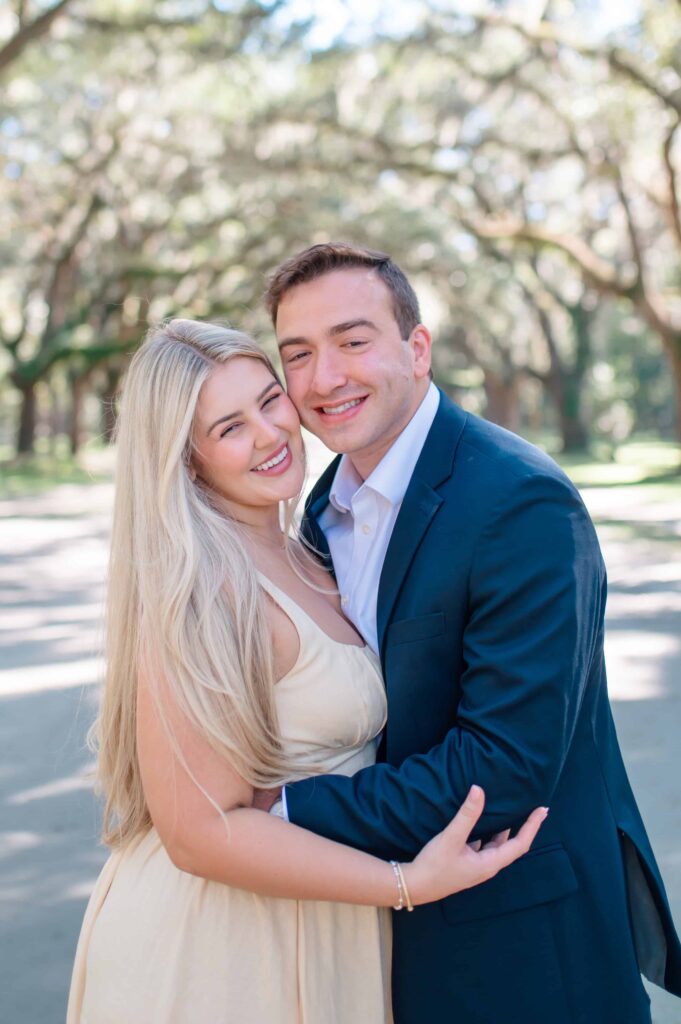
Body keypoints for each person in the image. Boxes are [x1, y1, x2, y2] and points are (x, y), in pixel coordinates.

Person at [66, 319, 546, 1024]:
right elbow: (199, 832)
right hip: (220, 950)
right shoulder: (208, 590)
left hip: (320, 923)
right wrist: (406, 882)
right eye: (229, 427)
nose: (268, 434)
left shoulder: (311, 543)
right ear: (187, 459)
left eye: (269, 400)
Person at [261, 242, 681, 1024]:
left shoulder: (517, 501)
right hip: (369, 937)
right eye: (298, 355)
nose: (324, 378)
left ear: (416, 350)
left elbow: (501, 765)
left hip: (520, 949)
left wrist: (275, 815)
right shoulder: (319, 508)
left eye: (353, 342)